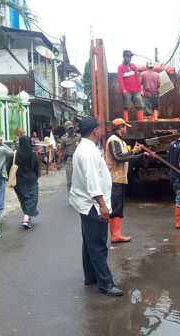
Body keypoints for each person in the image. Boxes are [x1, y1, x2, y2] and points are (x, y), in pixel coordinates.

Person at [69, 116, 123, 296]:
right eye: (99, 128)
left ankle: (91, 276)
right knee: (98, 244)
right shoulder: (88, 152)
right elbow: (92, 181)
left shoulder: (86, 148)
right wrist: (102, 205)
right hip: (92, 204)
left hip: (86, 203)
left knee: (90, 242)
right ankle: (105, 283)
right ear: (94, 131)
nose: (101, 130)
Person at [105, 118, 145, 243]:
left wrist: (141, 155)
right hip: (114, 178)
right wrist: (133, 151)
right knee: (116, 207)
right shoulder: (113, 140)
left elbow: (127, 158)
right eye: (125, 127)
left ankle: (117, 234)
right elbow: (118, 157)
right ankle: (115, 235)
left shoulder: (119, 141)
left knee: (119, 206)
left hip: (120, 178)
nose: (126, 129)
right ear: (120, 127)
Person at [11, 136, 39, 229]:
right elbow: (36, 168)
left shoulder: (15, 154)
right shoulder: (33, 154)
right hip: (31, 180)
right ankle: (26, 218)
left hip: (18, 181)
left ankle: (27, 217)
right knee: (31, 199)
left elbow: (9, 167)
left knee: (24, 199)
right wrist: (36, 178)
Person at [118, 50, 144, 122]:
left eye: (130, 57)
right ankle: (126, 123)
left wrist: (140, 89)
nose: (129, 58)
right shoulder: (120, 67)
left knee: (140, 106)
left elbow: (137, 78)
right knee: (126, 107)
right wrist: (123, 90)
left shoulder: (133, 66)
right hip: (127, 91)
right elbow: (120, 79)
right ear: (123, 57)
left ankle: (140, 123)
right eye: (127, 57)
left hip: (136, 90)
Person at [58, 121, 81, 193]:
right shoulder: (64, 139)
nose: (70, 130)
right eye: (69, 129)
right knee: (69, 180)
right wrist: (59, 163)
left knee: (79, 178)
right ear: (66, 129)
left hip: (78, 159)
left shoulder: (78, 137)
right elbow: (61, 151)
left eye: (71, 128)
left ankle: (78, 195)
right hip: (69, 160)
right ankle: (71, 195)